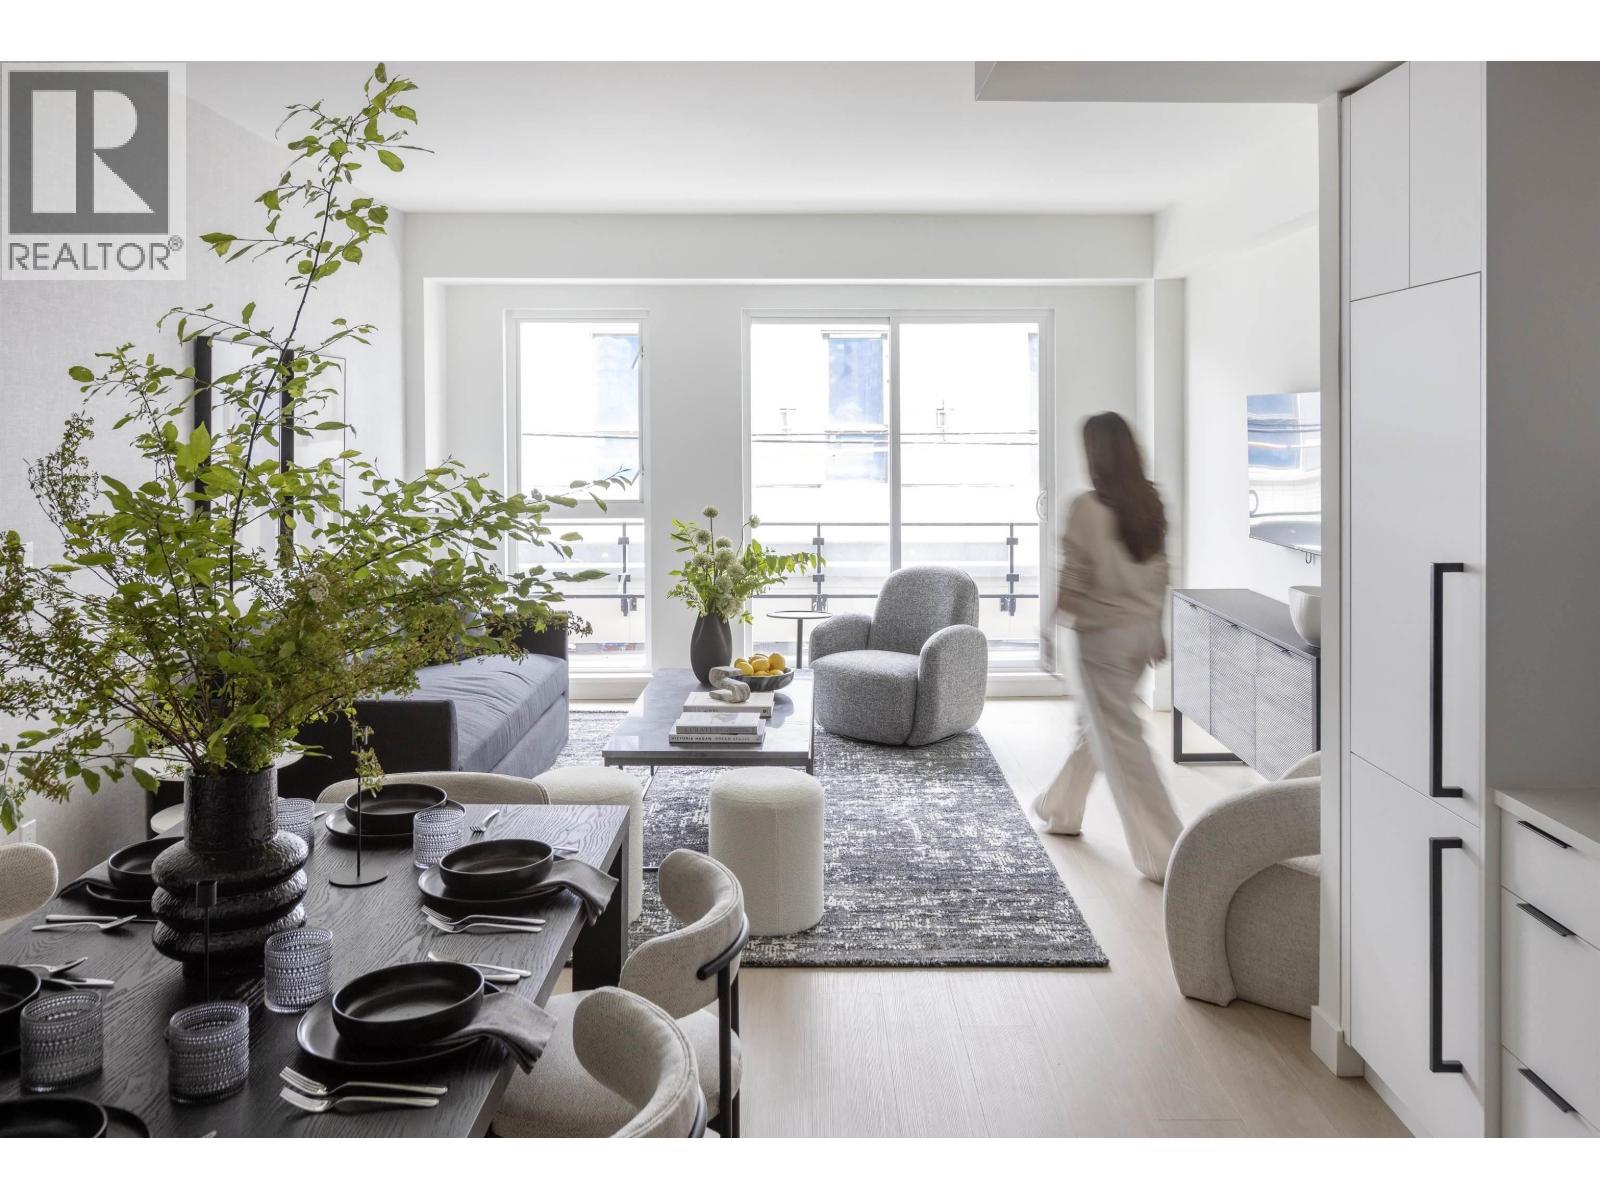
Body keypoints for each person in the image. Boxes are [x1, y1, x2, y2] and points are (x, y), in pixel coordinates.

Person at [1033, 412, 1183, 884]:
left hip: (1103, 637)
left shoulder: (1087, 508)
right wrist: (1157, 628)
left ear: (1095, 453)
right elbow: (1161, 572)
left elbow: (1074, 575)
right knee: (1099, 725)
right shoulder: (1150, 503)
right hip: (1140, 635)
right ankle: (1061, 809)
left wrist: (1053, 623)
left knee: (1122, 743)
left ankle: (1169, 853)